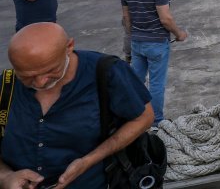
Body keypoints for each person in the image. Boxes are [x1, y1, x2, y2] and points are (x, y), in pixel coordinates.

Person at [0, 23, 153, 188]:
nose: (40, 82)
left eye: (50, 71)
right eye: (27, 76)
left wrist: (88, 161)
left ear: (69, 47)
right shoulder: (5, 85)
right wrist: (6, 176)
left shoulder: (107, 72)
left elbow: (144, 117)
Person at [121, 0, 188, 126]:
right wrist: (179, 33)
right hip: (157, 42)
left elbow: (126, 18)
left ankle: (133, 115)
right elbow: (165, 18)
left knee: (135, 81)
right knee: (156, 85)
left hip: (136, 41)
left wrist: (134, 34)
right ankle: (157, 121)